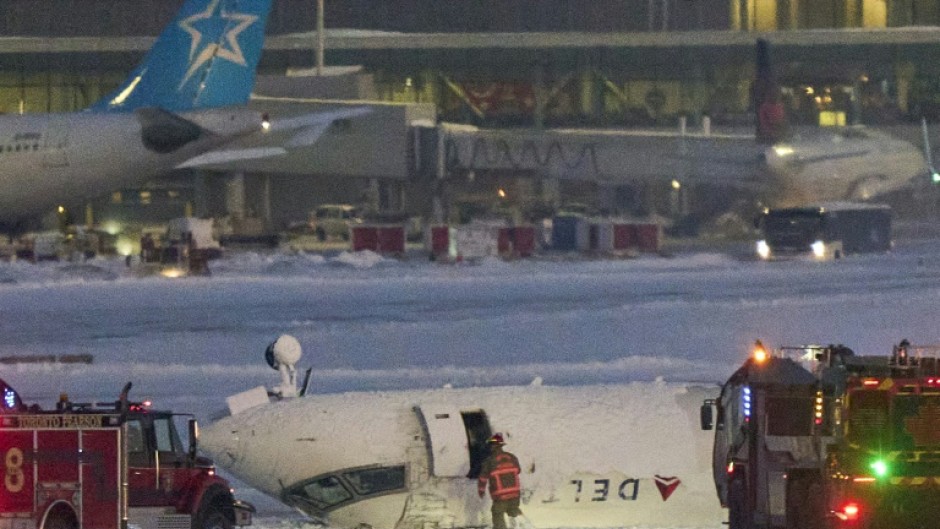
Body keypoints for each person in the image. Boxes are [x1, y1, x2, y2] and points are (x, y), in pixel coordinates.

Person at [478, 433, 522, 529]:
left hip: (500, 496)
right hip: (515, 494)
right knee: (514, 514)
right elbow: (518, 470)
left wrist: (481, 491)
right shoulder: (512, 457)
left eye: (491, 445)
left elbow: (482, 478)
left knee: (497, 515)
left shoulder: (489, 461)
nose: (490, 447)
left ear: (494, 446)